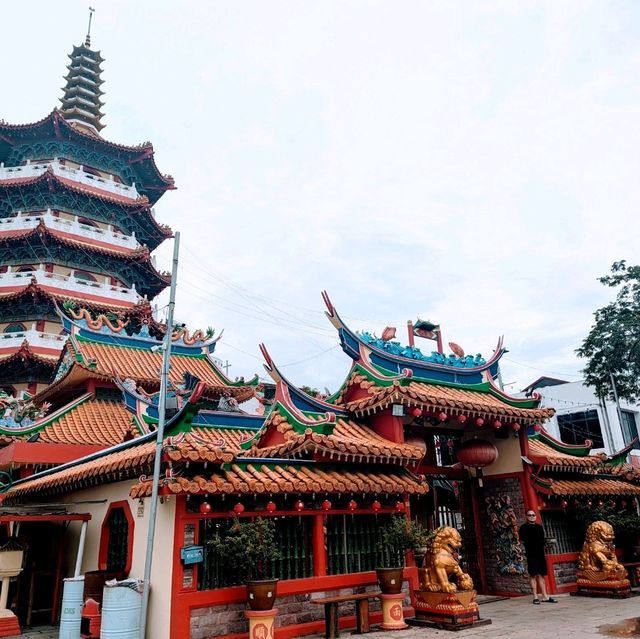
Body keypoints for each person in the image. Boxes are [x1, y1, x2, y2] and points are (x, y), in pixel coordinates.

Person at [518, 510, 557, 604]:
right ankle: (535, 596)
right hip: (531, 554)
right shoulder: (523, 528)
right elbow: (522, 540)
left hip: (540, 554)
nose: (532, 516)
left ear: (535, 516)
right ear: (526, 516)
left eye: (533, 515)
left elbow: (542, 540)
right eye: (529, 515)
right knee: (533, 575)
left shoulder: (539, 527)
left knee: (541, 575)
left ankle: (545, 596)